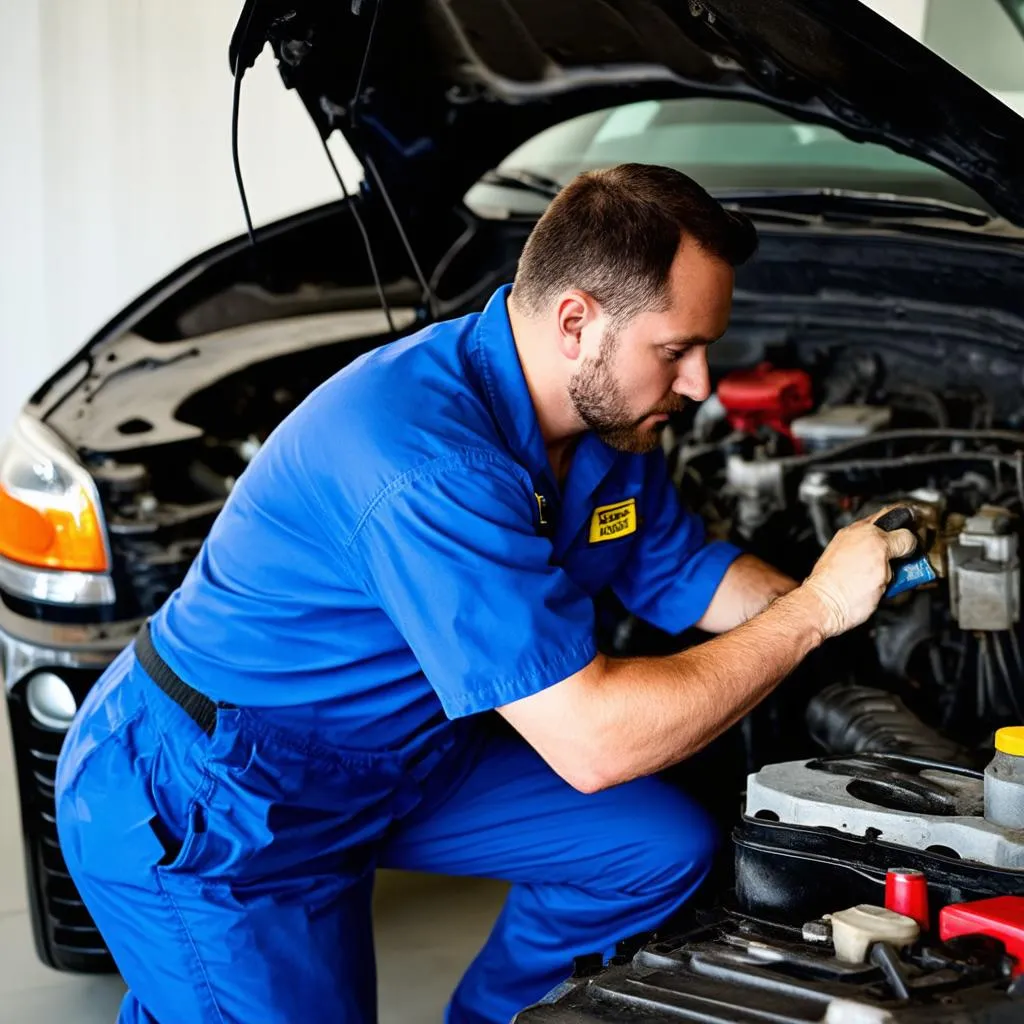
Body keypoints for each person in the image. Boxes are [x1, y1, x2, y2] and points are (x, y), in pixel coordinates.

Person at [55, 163, 915, 1024]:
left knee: (655, 851)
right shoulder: (424, 457)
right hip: (218, 795)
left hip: (401, 756)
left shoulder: (607, 426)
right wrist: (814, 615)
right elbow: (597, 744)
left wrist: (842, 590)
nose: (700, 385)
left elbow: (689, 575)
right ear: (576, 320)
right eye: (676, 351)